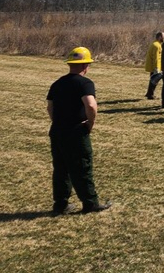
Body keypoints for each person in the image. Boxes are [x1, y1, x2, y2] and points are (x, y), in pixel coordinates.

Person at [46, 46, 111, 215]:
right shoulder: (85, 83)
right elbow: (90, 105)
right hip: (76, 131)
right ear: (84, 66)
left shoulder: (57, 83)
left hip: (57, 131)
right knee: (82, 166)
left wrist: (58, 122)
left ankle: (60, 204)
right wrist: (90, 123)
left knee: (61, 168)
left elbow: (50, 107)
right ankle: (90, 203)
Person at [144, 30, 164, 100]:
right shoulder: (157, 46)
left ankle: (149, 93)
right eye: (163, 36)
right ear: (160, 37)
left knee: (153, 80)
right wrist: (157, 68)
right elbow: (157, 58)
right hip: (155, 66)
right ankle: (150, 95)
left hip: (152, 66)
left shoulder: (155, 43)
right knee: (154, 81)